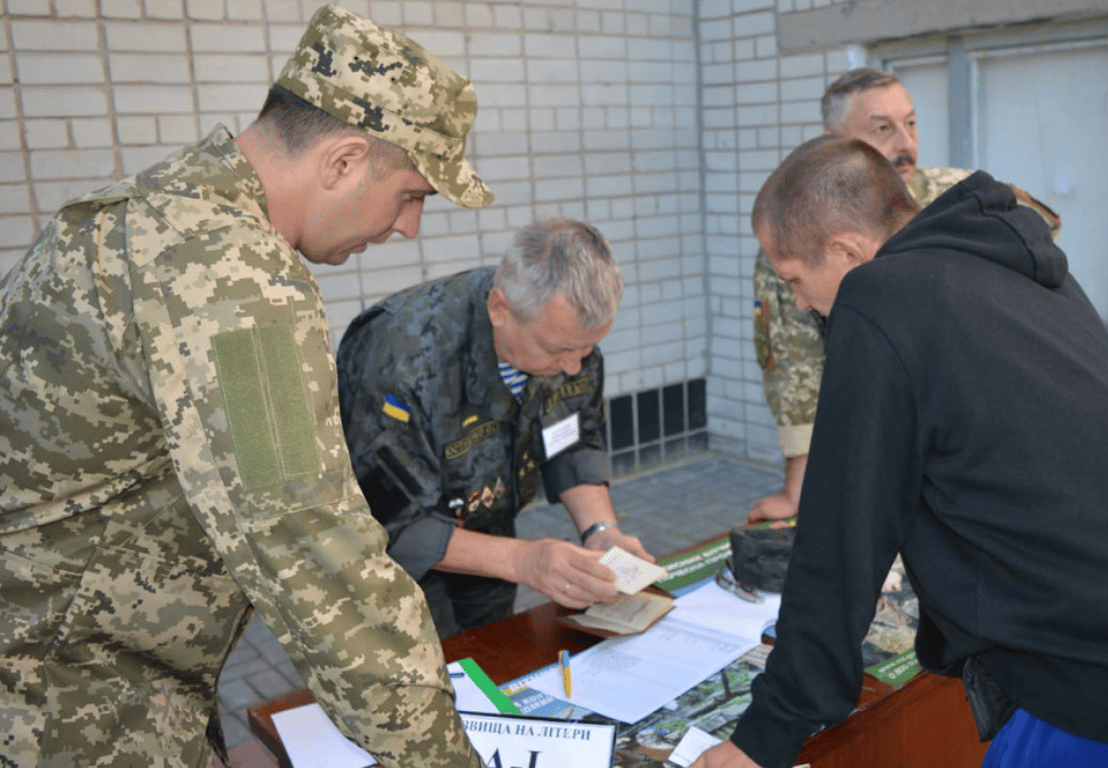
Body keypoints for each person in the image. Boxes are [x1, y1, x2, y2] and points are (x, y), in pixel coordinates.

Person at [0, 6, 494, 766]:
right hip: (71, 705)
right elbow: (308, 545)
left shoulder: (147, 212)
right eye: (412, 194)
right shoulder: (231, 278)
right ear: (342, 161)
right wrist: (437, 754)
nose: (409, 229)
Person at [695, 136, 1108, 767]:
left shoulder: (879, 298)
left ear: (848, 252)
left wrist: (762, 738)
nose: (797, 302)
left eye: (795, 279)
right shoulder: (1013, 267)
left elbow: (838, 544)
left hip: (1106, 715)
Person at [749, 67, 1060, 523]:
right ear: (834, 140)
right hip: (877, 425)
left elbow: (1041, 243)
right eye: (882, 128)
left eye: (910, 123)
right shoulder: (801, 237)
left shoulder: (959, 194)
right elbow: (796, 369)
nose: (904, 143)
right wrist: (799, 489)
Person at [335, 217, 654, 640]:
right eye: (559, 350)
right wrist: (526, 562)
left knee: (492, 653)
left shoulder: (567, 339)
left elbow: (573, 441)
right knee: (428, 673)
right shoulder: (397, 354)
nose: (574, 367)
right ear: (500, 309)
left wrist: (601, 532)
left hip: (490, 538)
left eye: (588, 350)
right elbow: (393, 520)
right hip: (391, 570)